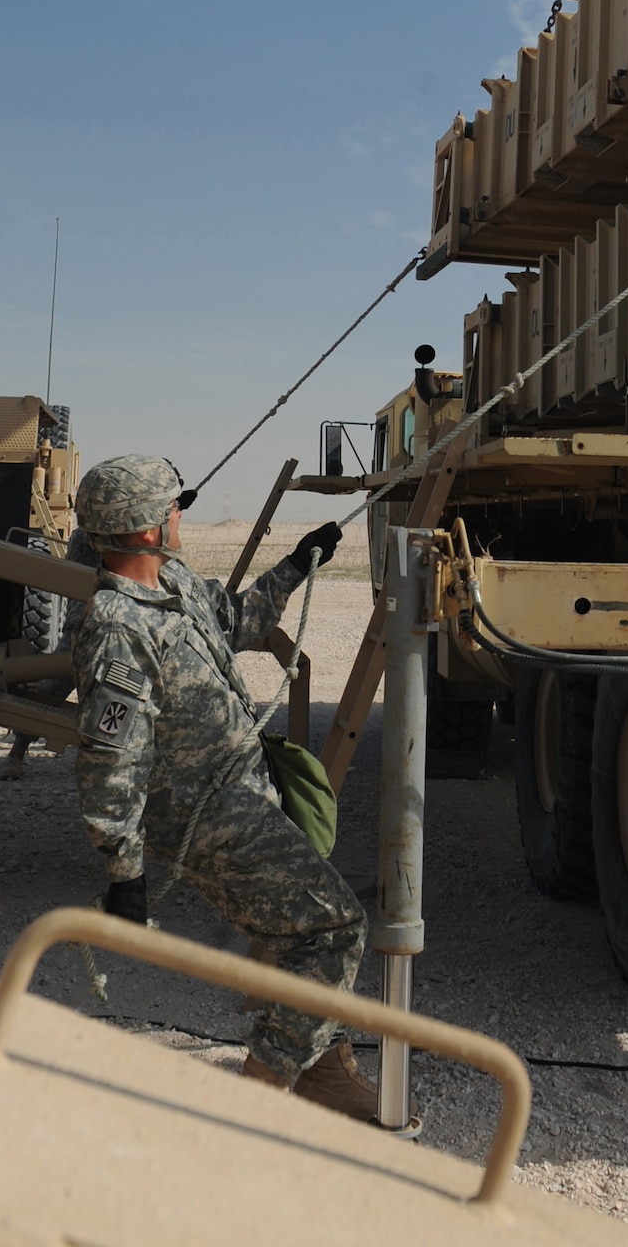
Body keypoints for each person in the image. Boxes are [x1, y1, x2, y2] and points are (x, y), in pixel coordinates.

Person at [70, 454, 378, 1119]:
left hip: (243, 785)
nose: (181, 514)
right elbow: (108, 755)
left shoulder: (175, 581)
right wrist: (123, 871)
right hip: (203, 812)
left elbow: (236, 621)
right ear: (147, 530)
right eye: (171, 507)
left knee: (295, 924)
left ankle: (326, 1069)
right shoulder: (117, 628)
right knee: (335, 928)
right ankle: (257, 1097)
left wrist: (296, 565)